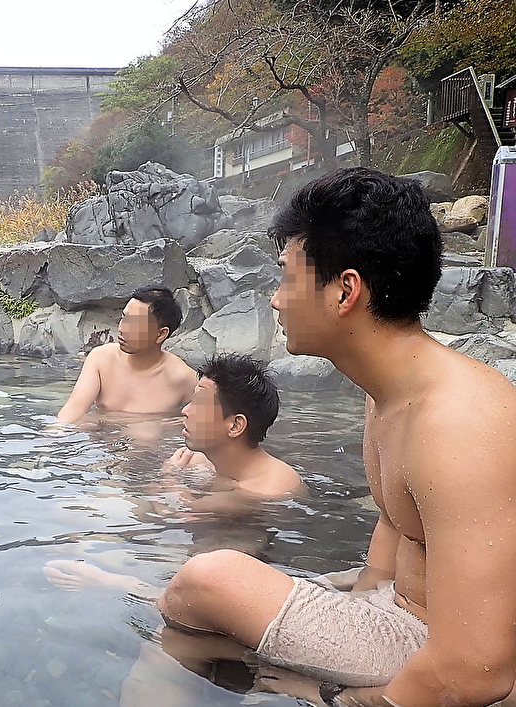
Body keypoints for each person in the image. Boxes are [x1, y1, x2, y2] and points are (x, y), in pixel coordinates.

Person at [155, 168, 516, 707]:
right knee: (187, 626)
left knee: (205, 580)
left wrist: (335, 699)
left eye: (286, 278)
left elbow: (474, 671)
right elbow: (393, 538)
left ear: (345, 289)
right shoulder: (390, 392)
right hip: (397, 614)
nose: (276, 301)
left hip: (440, 645)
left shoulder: (459, 422)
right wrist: (352, 604)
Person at [44, 353, 300, 594]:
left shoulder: (271, 487)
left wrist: (170, 477)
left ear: (235, 425)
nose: (185, 410)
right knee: (67, 512)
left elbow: (176, 511)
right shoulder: (204, 458)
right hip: (195, 541)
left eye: (199, 403)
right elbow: (162, 504)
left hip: (229, 564)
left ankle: (116, 583)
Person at [56, 285, 198, 423]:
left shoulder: (183, 378)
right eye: (124, 318)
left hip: (151, 446)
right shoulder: (101, 359)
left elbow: (208, 425)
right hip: (102, 443)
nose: (122, 329)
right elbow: (72, 411)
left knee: (145, 432)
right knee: (87, 424)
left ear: (161, 334)